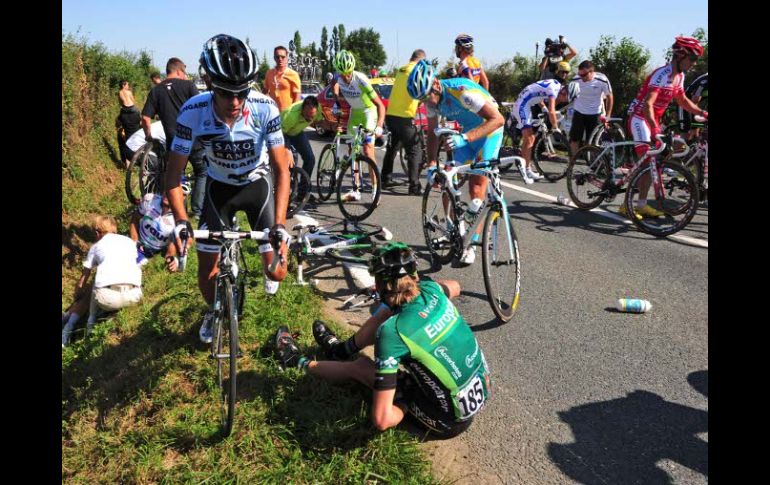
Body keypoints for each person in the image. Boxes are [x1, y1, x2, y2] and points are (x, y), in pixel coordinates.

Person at [273, 242, 491, 438]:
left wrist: (403, 398)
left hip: (445, 420)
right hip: (476, 392)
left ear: (378, 286)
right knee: (387, 312)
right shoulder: (432, 291)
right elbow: (455, 285)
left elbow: (382, 420)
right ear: (414, 275)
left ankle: (296, 361)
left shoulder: (392, 333)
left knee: (360, 367)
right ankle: (340, 350)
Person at [164, 34, 291, 344]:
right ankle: (214, 310)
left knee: (278, 273)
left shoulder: (264, 108)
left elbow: (280, 169)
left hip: (256, 186)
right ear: (209, 84)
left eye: (241, 93)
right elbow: (173, 174)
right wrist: (181, 221)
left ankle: (265, 262)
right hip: (217, 188)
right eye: (225, 93)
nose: (235, 102)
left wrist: (280, 224)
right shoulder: (193, 111)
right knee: (206, 273)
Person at [405, 61, 503, 265]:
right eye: (422, 100)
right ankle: (452, 229)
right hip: (467, 135)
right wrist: (432, 164)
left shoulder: (462, 92)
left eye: (427, 97)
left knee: (477, 187)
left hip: (489, 132)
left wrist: (465, 138)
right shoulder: (430, 99)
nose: (427, 103)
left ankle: (471, 244)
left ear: (437, 85)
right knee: (447, 176)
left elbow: (498, 120)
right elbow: (432, 134)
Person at [623, 36, 708, 219]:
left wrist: (703, 112)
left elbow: (682, 101)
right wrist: (654, 129)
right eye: (692, 59)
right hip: (640, 118)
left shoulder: (680, 76)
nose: (693, 64)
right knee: (648, 160)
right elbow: (648, 104)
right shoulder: (662, 74)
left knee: (660, 158)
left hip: (653, 119)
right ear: (680, 55)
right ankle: (626, 205)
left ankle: (642, 204)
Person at [62, 216, 143, 347]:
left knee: (94, 283)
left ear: (97, 232)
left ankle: (89, 325)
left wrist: (77, 296)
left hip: (107, 300)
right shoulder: (129, 241)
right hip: (135, 297)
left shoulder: (96, 247)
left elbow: (83, 280)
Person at [141, 57, 206, 220]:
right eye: (184, 72)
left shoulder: (156, 90)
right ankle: (197, 212)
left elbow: (145, 119)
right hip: (195, 140)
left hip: (174, 143)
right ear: (178, 71)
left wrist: (149, 137)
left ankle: (172, 210)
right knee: (202, 172)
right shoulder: (189, 86)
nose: (185, 76)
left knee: (175, 176)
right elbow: (202, 109)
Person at [331, 50, 387, 201]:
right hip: (354, 114)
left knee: (368, 151)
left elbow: (380, 106)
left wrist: (380, 126)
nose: (346, 77)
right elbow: (334, 85)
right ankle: (356, 189)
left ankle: (375, 191)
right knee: (352, 152)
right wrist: (336, 102)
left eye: (348, 73)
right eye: (343, 74)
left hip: (369, 113)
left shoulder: (360, 79)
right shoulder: (338, 77)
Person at [511, 64, 571, 184]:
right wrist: (555, 128)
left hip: (528, 102)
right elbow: (552, 110)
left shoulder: (556, 85)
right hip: (523, 104)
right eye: (566, 100)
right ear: (564, 93)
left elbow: (538, 92)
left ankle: (525, 166)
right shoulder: (554, 90)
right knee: (529, 138)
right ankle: (526, 169)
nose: (564, 102)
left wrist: (543, 107)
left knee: (530, 138)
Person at [381, 49, 426, 196]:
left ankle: (385, 178)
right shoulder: (417, 70)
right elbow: (422, 89)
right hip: (405, 116)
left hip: (391, 114)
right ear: (421, 60)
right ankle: (414, 186)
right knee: (414, 150)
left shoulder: (401, 69)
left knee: (393, 148)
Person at [568, 60, 613, 156]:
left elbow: (609, 97)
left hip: (595, 113)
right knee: (574, 139)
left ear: (592, 72)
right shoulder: (576, 79)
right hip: (579, 112)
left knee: (593, 141)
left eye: (584, 75)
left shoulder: (602, 80)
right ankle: (572, 162)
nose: (582, 77)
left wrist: (608, 116)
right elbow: (568, 95)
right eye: (580, 74)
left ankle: (592, 163)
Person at [281, 96, 325, 185]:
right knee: (290, 160)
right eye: (307, 116)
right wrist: (287, 150)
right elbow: (280, 134)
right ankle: (289, 187)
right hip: (283, 134)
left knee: (310, 159)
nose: (309, 119)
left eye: (312, 116)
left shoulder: (318, 108)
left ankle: (303, 192)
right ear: (302, 109)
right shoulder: (290, 115)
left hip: (297, 132)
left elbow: (320, 122)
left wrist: (333, 126)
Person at [129, 192, 179, 270]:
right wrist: (134, 241)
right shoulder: (150, 199)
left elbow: (171, 251)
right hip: (136, 240)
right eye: (167, 189)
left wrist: (173, 261)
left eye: (171, 192)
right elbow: (135, 218)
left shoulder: (178, 221)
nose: (167, 194)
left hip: (152, 253)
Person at [263, 46, 302, 113]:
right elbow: (264, 92)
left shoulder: (293, 74)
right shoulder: (269, 73)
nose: (280, 59)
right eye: (277, 57)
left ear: (287, 58)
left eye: (283, 57)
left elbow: (297, 97)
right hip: (272, 114)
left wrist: (293, 113)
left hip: (287, 114)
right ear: (274, 58)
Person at [117, 80, 142, 168]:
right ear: (124, 85)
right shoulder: (129, 92)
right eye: (127, 84)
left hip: (124, 111)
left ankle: (127, 160)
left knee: (127, 133)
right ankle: (136, 157)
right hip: (133, 110)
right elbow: (133, 102)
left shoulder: (119, 93)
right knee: (135, 133)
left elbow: (121, 104)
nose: (128, 86)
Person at [678, 72, 708, 140]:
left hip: (694, 104)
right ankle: (678, 148)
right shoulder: (705, 81)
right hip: (684, 102)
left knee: (696, 135)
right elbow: (694, 101)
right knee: (687, 131)